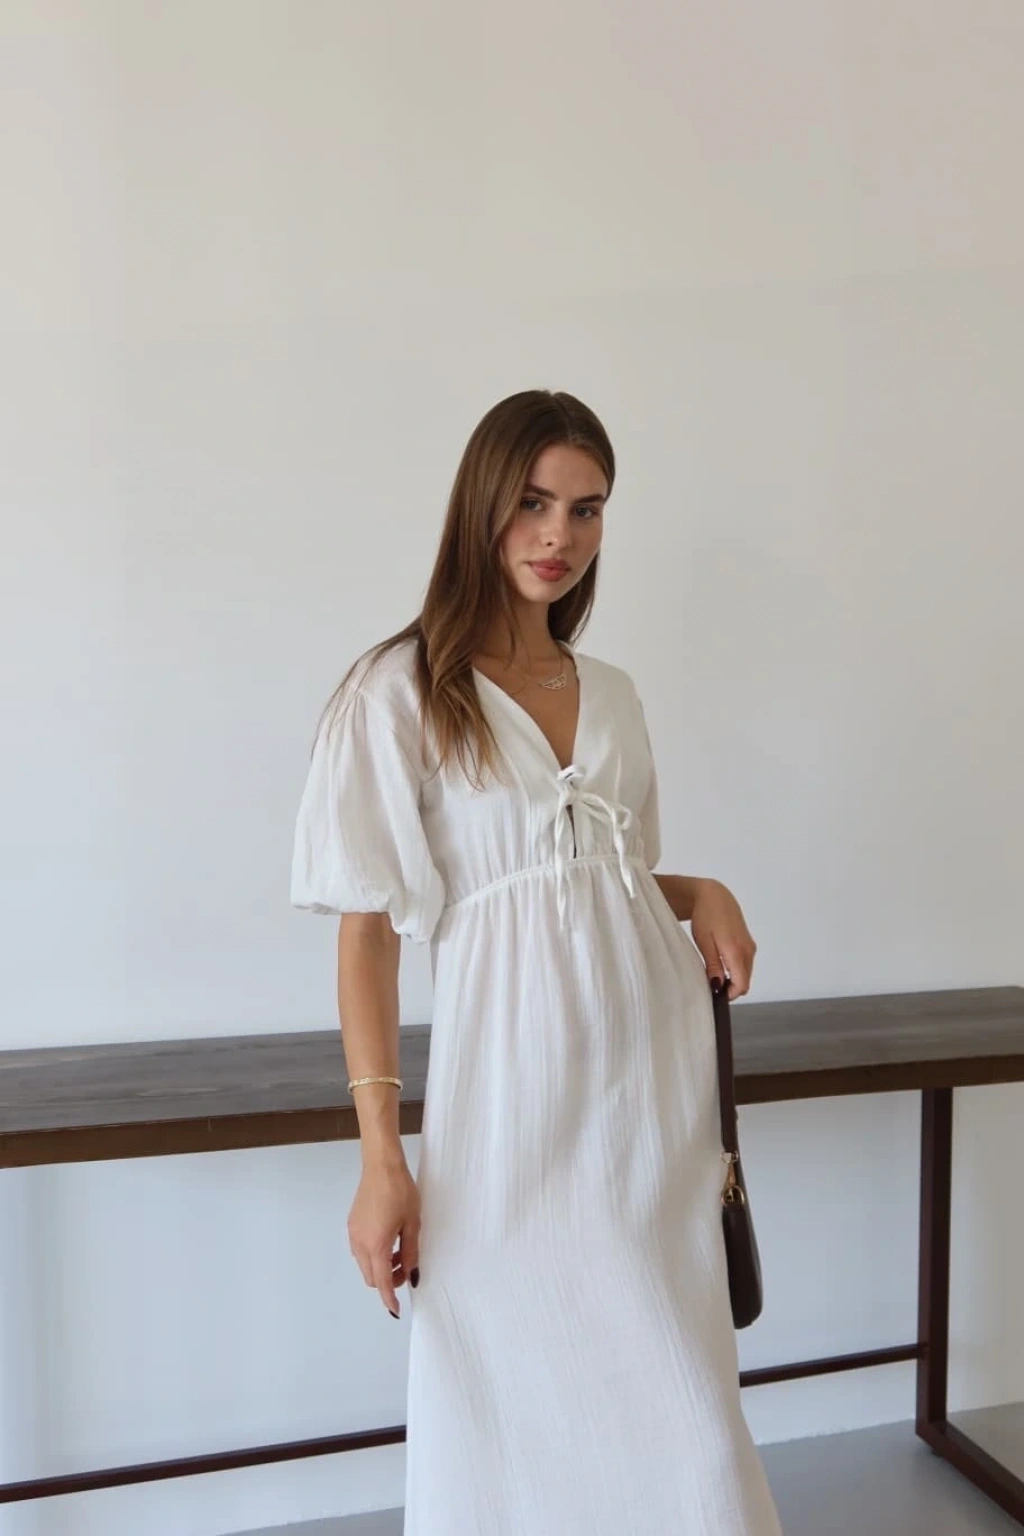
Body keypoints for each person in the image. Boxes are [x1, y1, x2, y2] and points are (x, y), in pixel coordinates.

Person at [291, 390, 782, 1534]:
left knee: (687, 1413)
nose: (558, 534)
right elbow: (368, 931)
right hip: (508, 1109)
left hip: (652, 1102)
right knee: (506, 1402)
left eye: (586, 509)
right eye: (532, 503)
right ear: (482, 504)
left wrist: (695, 891)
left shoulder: (612, 695)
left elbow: (599, 884)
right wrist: (381, 1154)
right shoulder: (401, 691)